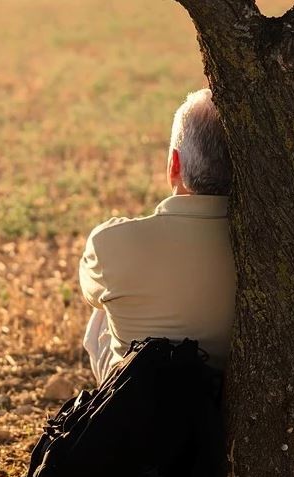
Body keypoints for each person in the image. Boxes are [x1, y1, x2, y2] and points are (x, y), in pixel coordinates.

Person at [79, 89, 236, 385]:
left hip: (139, 400)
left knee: (104, 309)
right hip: (227, 396)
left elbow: (89, 292)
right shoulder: (267, 247)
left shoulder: (110, 243)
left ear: (174, 164)